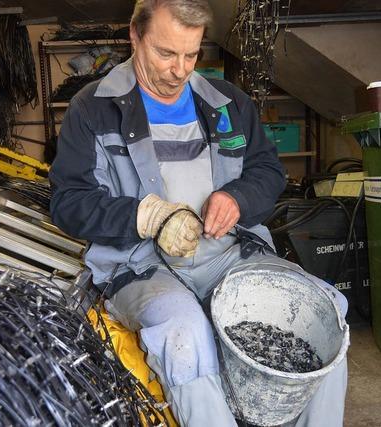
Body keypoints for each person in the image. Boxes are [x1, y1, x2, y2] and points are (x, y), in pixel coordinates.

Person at [49, 1, 348, 425]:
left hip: (228, 254)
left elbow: (268, 171)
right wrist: (148, 217)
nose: (179, 70)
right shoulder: (92, 108)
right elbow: (68, 202)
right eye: (166, 53)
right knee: (183, 334)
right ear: (135, 36)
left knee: (326, 313)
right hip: (140, 264)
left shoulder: (228, 103)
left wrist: (238, 198)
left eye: (191, 55)